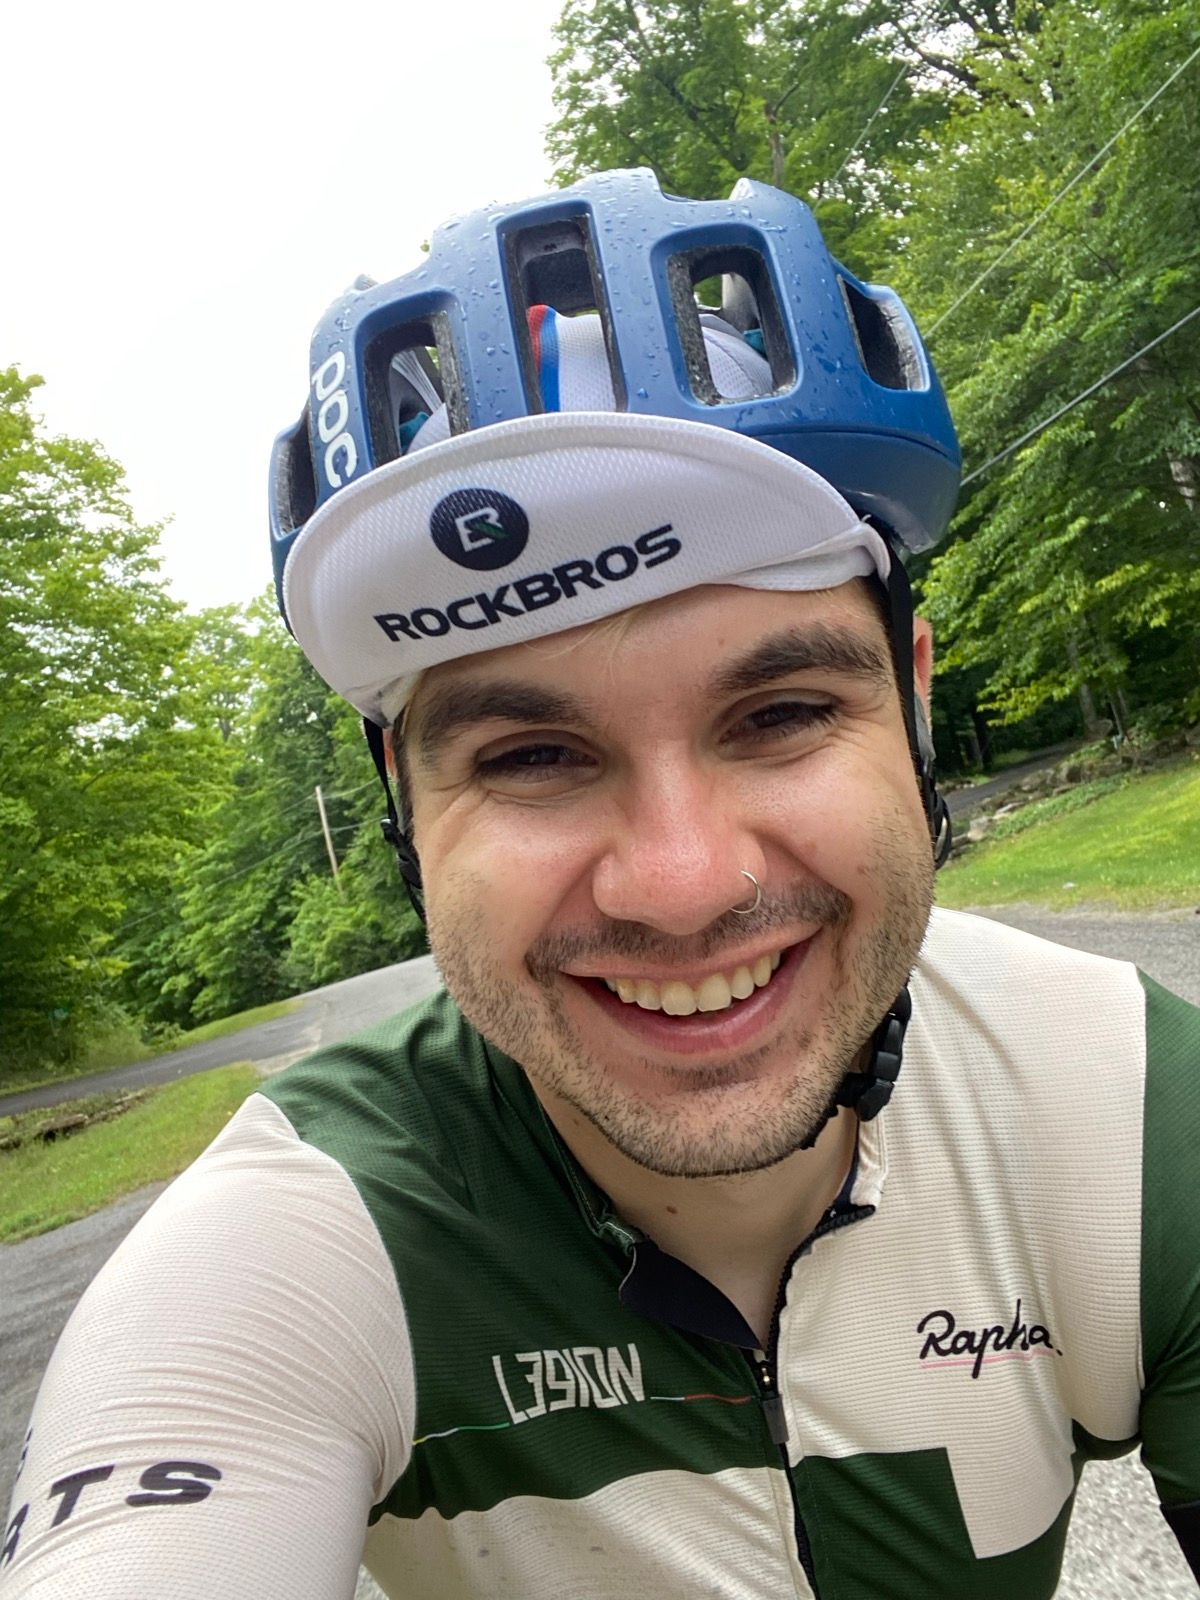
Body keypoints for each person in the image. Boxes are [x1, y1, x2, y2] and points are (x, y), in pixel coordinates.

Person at [2, 169, 1198, 1600]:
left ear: (914, 703)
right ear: (403, 802)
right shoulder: (287, 1258)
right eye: (532, 756)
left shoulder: (1129, 1114)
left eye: (781, 716)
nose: (682, 888)